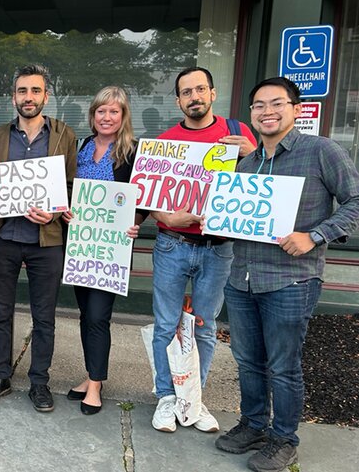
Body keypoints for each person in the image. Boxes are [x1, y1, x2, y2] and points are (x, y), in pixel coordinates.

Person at [215, 78, 359, 472]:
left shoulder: (321, 151)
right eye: (258, 106)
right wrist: (210, 216)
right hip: (242, 278)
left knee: (283, 365)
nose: (267, 111)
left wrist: (314, 236)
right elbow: (237, 220)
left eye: (277, 103)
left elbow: (356, 200)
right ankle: (254, 425)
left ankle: (284, 440)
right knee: (247, 360)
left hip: (291, 280)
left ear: (297, 109)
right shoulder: (246, 163)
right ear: (251, 116)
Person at [149, 66, 257, 433]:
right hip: (172, 243)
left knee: (206, 326)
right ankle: (166, 397)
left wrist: (253, 153)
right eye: (186, 92)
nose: (194, 97)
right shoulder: (165, 142)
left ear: (212, 93)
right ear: (178, 100)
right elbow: (150, 199)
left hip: (219, 248)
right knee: (165, 324)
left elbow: (265, 187)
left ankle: (192, 398)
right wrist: (167, 217)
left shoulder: (239, 133)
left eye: (200, 89)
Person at [0, 64, 77, 412]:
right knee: (0, 313)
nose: (29, 97)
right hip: (5, 238)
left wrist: (55, 210)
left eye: (35, 91)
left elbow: (70, 186)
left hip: (45, 241)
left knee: (44, 315)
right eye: (22, 91)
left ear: (46, 96)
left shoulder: (65, 135)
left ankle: (39, 382)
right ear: (13, 96)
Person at [63, 86, 145, 415]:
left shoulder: (133, 152)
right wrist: (66, 209)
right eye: (101, 111)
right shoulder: (82, 147)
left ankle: (96, 385)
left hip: (111, 247)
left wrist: (136, 220)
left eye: (114, 111)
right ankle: (91, 374)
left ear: (123, 117)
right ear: (92, 115)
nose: (106, 117)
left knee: (98, 315)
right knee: (85, 313)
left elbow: (147, 195)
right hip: (82, 244)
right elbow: (70, 187)